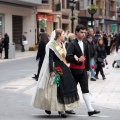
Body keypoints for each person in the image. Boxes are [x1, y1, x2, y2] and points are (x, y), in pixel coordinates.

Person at [31, 29, 80, 118]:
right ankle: (57, 109)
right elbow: (50, 58)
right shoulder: (51, 45)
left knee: (65, 88)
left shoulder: (62, 44)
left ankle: (63, 108)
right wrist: (51, 71)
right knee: (55, 89)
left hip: (63, 67)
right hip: (55, 67)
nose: (64, 36)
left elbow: (65, 57)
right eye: (62, 34)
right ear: (58, 35)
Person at [66, 24, 100, 116]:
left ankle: (90, 109)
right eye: (81, 32)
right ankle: (68, 108)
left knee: (85, 90)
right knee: (72, 90)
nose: (83, 34)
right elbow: (68, 57)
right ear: (76, 32)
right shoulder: (72, 44)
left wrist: (88, 70)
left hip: (83, 71)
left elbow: (87, 57)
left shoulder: (85, 43)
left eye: (85, 33)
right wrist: (77, 60)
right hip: (73, 71)